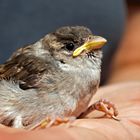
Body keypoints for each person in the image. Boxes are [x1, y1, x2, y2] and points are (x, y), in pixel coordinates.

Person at [0, 0, 140, 139]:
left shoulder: (90, 77)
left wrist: (91, 109)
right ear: (54, 52)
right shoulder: (41, 66)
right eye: (70, 47)